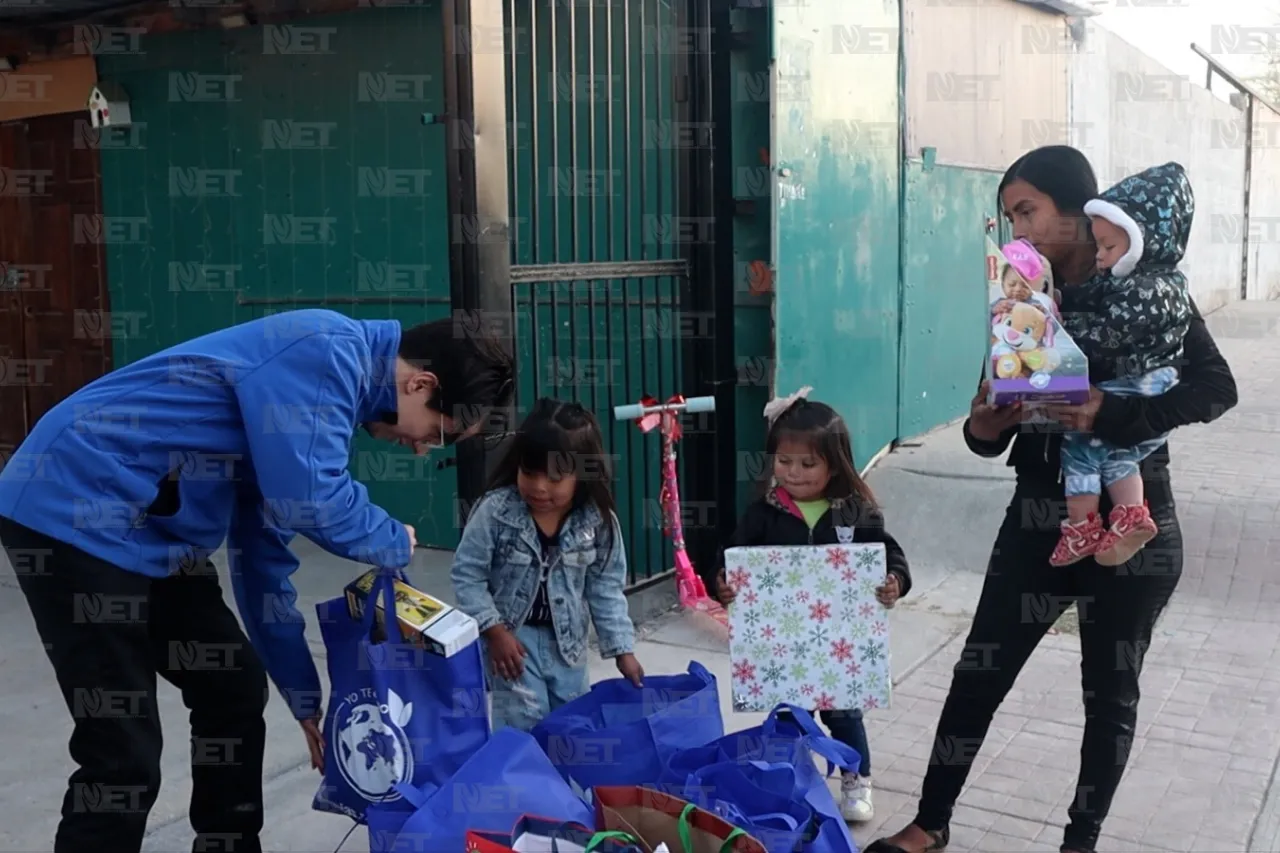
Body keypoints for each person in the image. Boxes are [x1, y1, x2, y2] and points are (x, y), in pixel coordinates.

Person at [0, 308, 514, 853]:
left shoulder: (316, 409)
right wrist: (390, 536)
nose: (420, 448)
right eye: (438, 433)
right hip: (72, 506)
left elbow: (264, 555)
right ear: (420, 384)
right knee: (122, 750)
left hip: (149, 532)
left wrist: (303, 697)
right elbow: (315, 501)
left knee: (233, 686)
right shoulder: (327, 353)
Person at [864, 145, 1237, 853]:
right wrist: (984, 422)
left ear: (1078, 208)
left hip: (1134, 523)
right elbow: (983, 430)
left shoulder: (1146, 284)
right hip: (1040, 517)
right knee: (980, 669)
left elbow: (1217, 387)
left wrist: (1114, 414)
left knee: (1109, 693)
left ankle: (1080, 840)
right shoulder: (1021, 295)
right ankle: (930, 820)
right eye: (1009, 216)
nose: (1018, 229)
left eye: (1027, 210)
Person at [710, 387, 911, 823]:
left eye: (807, 464)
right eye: (784, 462)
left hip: (839, 644)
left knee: (844, 715)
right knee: (787, 721)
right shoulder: (762, 513)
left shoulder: (854, 512)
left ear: (833, 463)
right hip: (782, 646)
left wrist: (895, 581)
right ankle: (794, 781)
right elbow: (731, 560)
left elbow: (889, 554)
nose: (794, 473)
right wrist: (722, 585)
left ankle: (857, 779)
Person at [450, 397, 643, 733]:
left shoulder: (598, 522)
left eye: (555, 478)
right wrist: (495, 631)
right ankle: (525, 787)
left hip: (568, 651)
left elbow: (605, 589)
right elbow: (468, 575)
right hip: (512, 649)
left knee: (572, 730)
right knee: (523, 731)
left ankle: (566, 788)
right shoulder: (494, 511)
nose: (539, 487)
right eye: (530, 472)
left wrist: (622, 649)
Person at [1051, 162, 1194, 567]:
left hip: (1143, 384)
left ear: (1143, 242)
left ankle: (1081, 529)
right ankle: (1131, 517)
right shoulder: (1143, 280)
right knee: (1117, 455)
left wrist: (1058, 331)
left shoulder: (1150, 290)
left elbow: (1105, 337)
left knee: (1079, 446)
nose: (1100, 257)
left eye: (1109, 248)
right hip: (1149, 380)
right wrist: (1067, 300)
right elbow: (1097, 295)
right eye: (1099, 246)